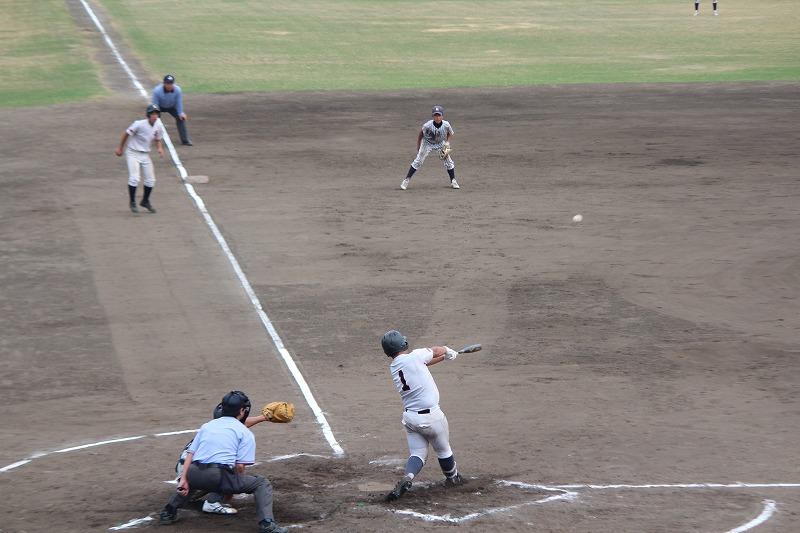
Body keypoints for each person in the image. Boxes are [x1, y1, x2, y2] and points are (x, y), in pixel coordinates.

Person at [159, 391, 288, 533]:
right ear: (241, 411)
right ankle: (267, 524)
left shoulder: (207, 426)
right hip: (217, 475)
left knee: (195, 480)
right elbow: (239, 466)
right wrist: (232, 487)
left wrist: (184, 478)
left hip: (193, 472)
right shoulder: (245, 433)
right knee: (261, 483)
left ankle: (168, 511)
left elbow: (191, 453)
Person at [381, 330, 464, 502]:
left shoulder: (396, 365)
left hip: (411, 419)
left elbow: (424, 362)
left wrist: (444, 358)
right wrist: (447, 351)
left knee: (418, 453)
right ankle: (453, 478)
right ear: (401, 343)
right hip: (432, 418)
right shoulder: (415, 356)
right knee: (443, 450)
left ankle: (408, 478)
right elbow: (435, 350)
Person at [175, 403, 273, 515]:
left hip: (187, 475)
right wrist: (231, 488)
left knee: (212, 470)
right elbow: (238, 467)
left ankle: (173, 506)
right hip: (206, 475)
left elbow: (239, 425)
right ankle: (212, 502)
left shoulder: (209, 430)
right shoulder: (227, 435)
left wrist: (262, 418)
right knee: (226, 470)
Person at [116, 104, 163, 213]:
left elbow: (158, 138)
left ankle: (145, 201)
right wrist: (120, 148)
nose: (154, 116)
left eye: (156, 113)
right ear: (148, 114)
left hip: (145, 154)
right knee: (135, 178)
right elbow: (126, 134)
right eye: (152, 113)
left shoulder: (159, 125)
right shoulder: (139, 124)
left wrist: (160, 148)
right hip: (133, 152)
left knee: (151, 180)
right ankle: (132, 202)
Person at [400, 105, 459, 191]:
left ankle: (453, 180)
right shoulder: (427, 125)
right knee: (418, 161)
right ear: (432, 116)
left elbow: (450, 133)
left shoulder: (446, 124)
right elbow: (421, 134)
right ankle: (406, 180)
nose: (437, 117)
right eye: (436, 115)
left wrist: (447, 143)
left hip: (440, 143)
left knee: (448, 161)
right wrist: (418, 145)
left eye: (439, 115)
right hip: (427, 143)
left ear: (442, 116)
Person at [151, 74, 192, 146]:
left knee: (181, 119)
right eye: (167, 83)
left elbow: (179, 102)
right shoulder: (157, 91)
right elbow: (155, 105)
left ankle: (185, 140)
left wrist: (180, 113)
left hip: (171, 106)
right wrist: (155, 114)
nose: (169, 85)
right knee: (154, 120)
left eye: (171, 83)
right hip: (159, 107)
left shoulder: (177, 90)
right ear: (164, 83)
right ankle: (153, 137)